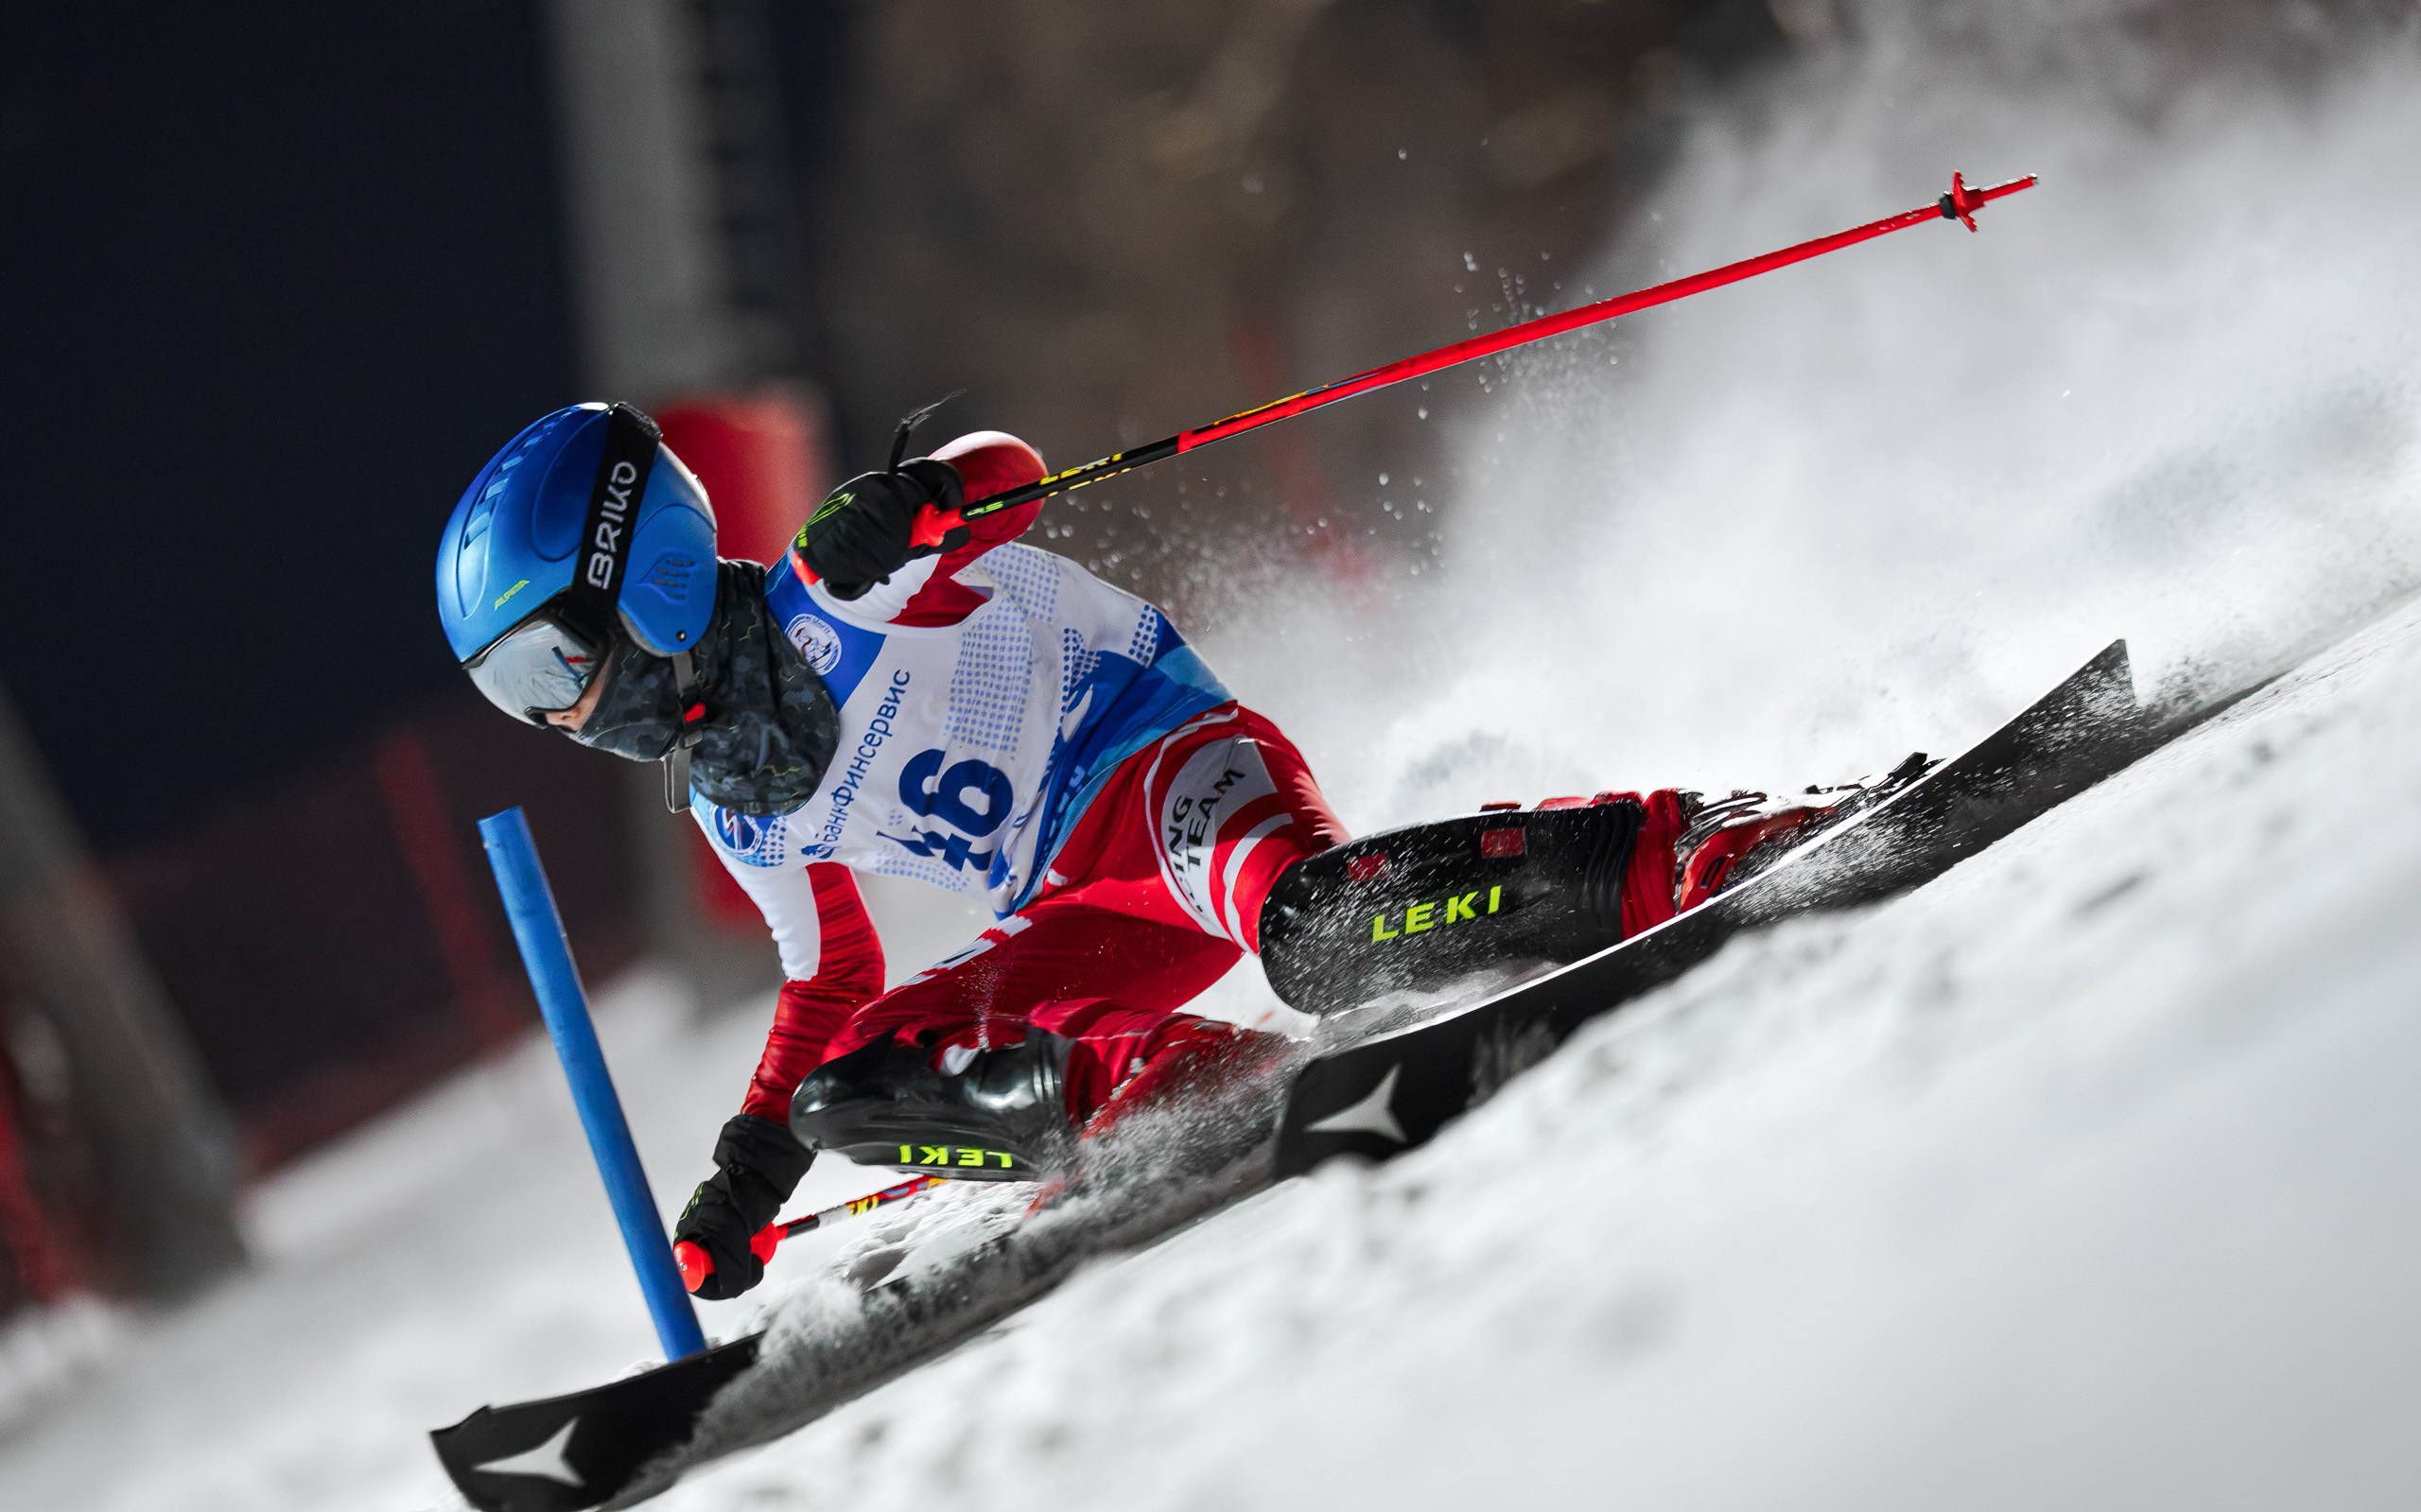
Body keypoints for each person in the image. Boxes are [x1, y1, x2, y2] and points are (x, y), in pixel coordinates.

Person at [435, 403, 1843, 1297]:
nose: (560, 713)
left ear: (648, 579)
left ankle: (1693, 853)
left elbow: (1015, 476)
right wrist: (752, 1171)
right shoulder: (739, 803)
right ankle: (1188, 1094)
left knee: (1314, 937)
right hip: (1068, 903)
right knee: (846, 1087)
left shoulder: (836, 584)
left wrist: (922, 492)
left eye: (553, 662)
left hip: (1169, 777)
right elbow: (831, 985)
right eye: (516, 695)